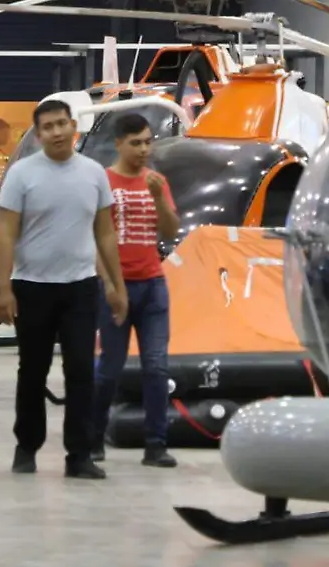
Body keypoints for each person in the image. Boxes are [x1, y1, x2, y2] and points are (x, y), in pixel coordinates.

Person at [0, 99, 128, 480]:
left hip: (81, 288)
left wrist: (116, 286)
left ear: (74, 128)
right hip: (31, 287)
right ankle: (27, 445)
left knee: (82, 371)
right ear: (38, 135)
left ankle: (79, 454)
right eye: (47, 127)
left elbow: (104, 232)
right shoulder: (22, 174)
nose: (55, 132)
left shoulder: (94, 174)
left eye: (61, 124)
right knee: (32, 371)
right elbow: (6, 234)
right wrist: (4, 288)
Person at [91, 113, 180, 467]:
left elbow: (171, 232)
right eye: (136, 143)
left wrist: (159, 198)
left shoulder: (157, 181)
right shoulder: (104, 183)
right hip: (116, 286)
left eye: (147, 141)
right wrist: (111, 285)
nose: (144, 149)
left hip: (153, 285)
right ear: (118, 144)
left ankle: (156, 444)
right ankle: (94, 439)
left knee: (157, 367)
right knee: (109, 368)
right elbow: (96, 239)